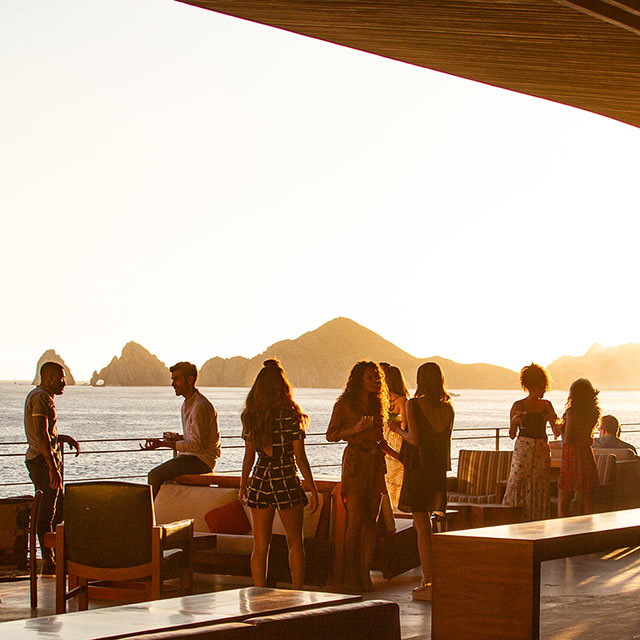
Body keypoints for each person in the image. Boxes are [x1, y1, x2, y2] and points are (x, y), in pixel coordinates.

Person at [239, 360, 318, 589]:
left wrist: (243, 485)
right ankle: (297, 590)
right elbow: (300, 458)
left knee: (260, 546)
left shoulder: (251, 417)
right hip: (286, 478)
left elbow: (248, 458)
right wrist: (311, 487)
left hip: (261, 479)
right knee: (295, 543)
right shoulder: (292, 414)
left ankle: (258, 592)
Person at [389, 362, 454, 601]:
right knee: (430, 526)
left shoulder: (413, 404)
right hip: (437, 472)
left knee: (422, 528)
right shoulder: (448, 408)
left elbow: (414, 439)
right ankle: (434, 578)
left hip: (419, 471)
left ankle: (429, 581)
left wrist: (396, 429)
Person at [326, 361, 388, 593]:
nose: (375, 381)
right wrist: (355, 430)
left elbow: (380, 437)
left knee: (372, 521)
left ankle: (365, 571)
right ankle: (351, 572)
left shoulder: (377, 403)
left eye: (377, 377)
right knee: (355, 522)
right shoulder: (344, 405)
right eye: (370, 378)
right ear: (358, 380)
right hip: (355, 462)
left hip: (375, 461)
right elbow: (331, 434)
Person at [24, 361, 80, 575]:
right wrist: (52, 467)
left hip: (41, 458)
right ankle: (48, 561)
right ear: (48, 377)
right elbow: (41, 433)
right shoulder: (41, 398)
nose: (64, 382)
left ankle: (54, 555)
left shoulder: (40, 396)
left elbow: (47, 433)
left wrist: (62, 438)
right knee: (47, 511)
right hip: (41, 461)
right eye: (60, 377)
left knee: (59, 508)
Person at [142, 362, 220, 498]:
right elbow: (194, 438)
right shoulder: (187, 404)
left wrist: (161, 444)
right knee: (160, 476)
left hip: (201, 461)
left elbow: (196, 445)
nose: (173, 384)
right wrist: (178, 438)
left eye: (176, 379)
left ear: (189, 380)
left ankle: (150, 517)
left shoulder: (200, 407)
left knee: (154, 475)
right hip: (191, 457)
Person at [502, 363, 558, 521]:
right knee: (519, 482)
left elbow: (556, 432)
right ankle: (515, 519)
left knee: (538, 484)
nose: (544, 389)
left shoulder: (547, 405)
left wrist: (555, 420)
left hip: (540, 450)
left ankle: (535, 521)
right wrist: (514, 422)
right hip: (524, 450)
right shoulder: (518, 405)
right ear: (535, 384)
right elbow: (512, 434)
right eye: (542, 385)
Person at [557, 378, 601, 517]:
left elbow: (568, 440)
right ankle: (589, 535)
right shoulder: (593, 413)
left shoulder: (572, 413)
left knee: (563, 503)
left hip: (572, 457)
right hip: (586, 455)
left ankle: (562, 534)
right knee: (588, 504)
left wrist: (560, 430)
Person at [380, 364, 409, 509]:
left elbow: (402, 423)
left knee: (393, 476)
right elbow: (405, 424)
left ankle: (394, 511)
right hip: (394, 439)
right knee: (392, 477)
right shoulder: (401, 400)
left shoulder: (387, 401)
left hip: (391, 439)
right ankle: (394, 511)